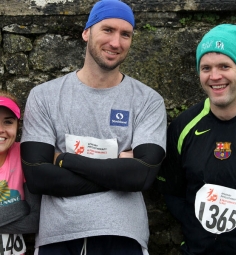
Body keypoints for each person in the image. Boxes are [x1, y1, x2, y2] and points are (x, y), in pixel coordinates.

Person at [20, 0, 167, 254]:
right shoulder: (44, 96)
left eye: (125, 34)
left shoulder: (148, 100)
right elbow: (37, 176)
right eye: (107, 30)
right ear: (86, 32)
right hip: (59, 238)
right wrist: (120, 172)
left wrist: (65, 160)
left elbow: (142, 174)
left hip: (123, 236)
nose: (116, 42)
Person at [157, 23, 236, 255]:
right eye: (206, 68)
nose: (215, 76)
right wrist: (198, 228)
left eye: (224, 66)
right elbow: (171, 189)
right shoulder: (184, 126)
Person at [0, 91, 40, 255]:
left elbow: (35, 220)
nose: (1, 130)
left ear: (18, 125)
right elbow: (26, 211)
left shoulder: (23, 154)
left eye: (8, 122)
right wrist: (21, 207)